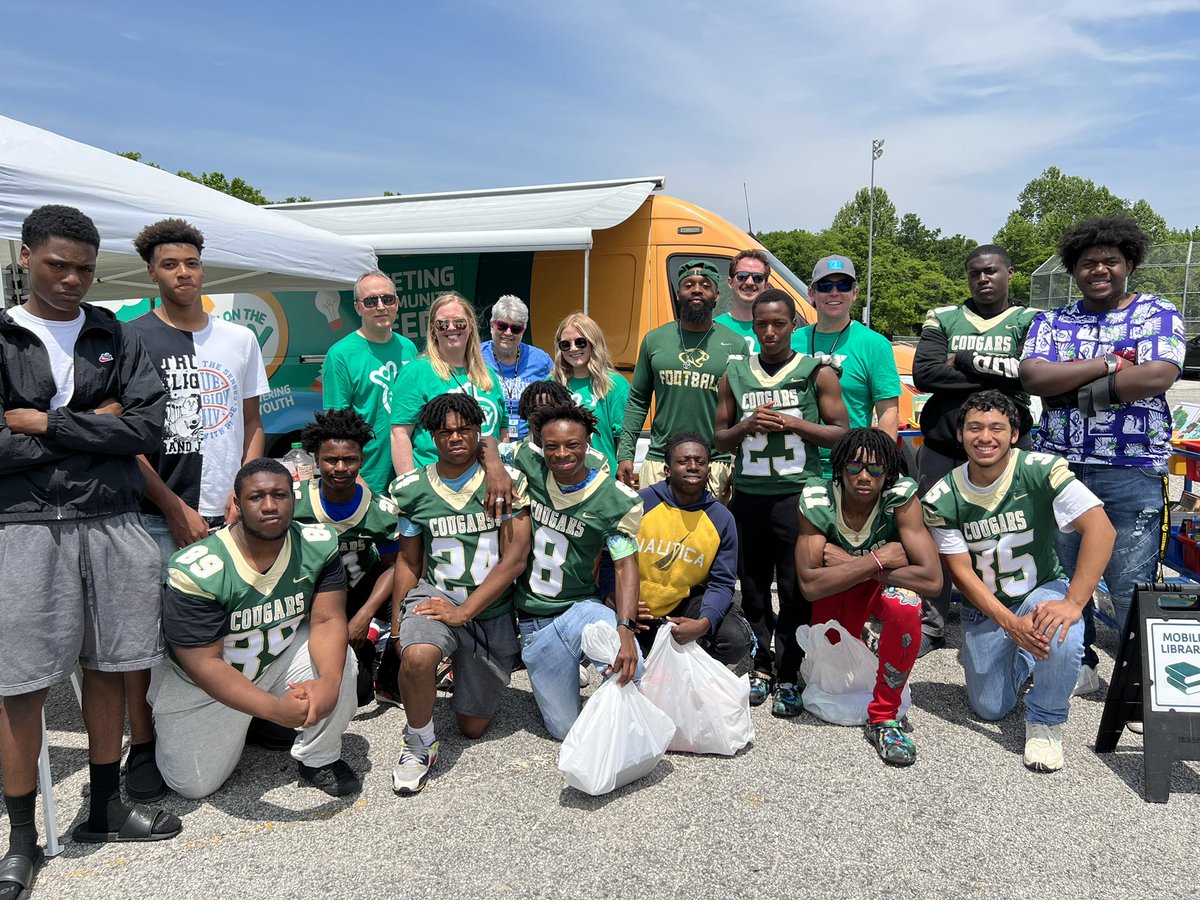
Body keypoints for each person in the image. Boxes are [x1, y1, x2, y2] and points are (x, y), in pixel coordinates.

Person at [0, 205, 177, 898]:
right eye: (57, 265)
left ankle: (105, 805)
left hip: (111, 518)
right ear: (25, 257)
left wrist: (45, 423)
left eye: (84, 268)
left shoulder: (115, 334)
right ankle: (21, 839)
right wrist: (97, 425)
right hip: (22, 525)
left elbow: (148, 431)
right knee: (19, 686)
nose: (72, 280)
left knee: (111, 666)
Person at [125, 217, 270, 802]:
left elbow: (254, 424)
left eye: (191, 263)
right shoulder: (131, 337)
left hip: (227, 515)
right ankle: (141, 747)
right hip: (156, 515)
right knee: (144, 637)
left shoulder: (238, 340)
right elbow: (127, 440)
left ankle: (247, 717)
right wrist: (173, 504)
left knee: (236, 623)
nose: (182, 273)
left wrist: (243, 488)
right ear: (152, 271)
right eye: (169, 264)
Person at [1020, 216, 1183, 696]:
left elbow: (1157, 376)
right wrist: (1112, 364)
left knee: (1131, 576)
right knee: (1067, 571)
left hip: (1130, 467)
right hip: (1061, 465)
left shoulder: (1156, 312)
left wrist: (1074, 391)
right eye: (1088, 262)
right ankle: (1081, 662)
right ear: (1074, 269)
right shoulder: (1051, 320)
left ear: (1129, 263)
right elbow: (1034, 379)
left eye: (1110, 261)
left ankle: (1141, 683)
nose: (1099, 270)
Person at [922, 391, 1115, 771]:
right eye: (975, 427)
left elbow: (1101, 530)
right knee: (989, 708)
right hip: (988, 607)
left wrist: (1074, 602)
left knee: (1061, 624)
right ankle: (1044, 659)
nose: (985, 437)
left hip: (1039, 588)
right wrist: (1012, 626)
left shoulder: (1042, 469)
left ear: (1014, 433)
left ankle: (1046, 719)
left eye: (997, 427)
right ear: (960, 434)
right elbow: (961, 572)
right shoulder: (942, 496)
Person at [149, 458, 361, 798]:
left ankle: (318, 757)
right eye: (256, 497)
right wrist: (275, 709)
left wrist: (329, 684)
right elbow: (204, 663)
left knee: (342, 661)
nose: (269, 506)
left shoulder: (317, 544)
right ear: (236, 503)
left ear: (294, 499)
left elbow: (328, 620)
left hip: (275, 657)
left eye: (279, 495)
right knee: (192, 786)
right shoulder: (199, 568)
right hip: (206, 682)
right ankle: (254, 719)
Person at [387, 394, 532, 794]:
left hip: (488, 608)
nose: (455, 437)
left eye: (464, 429)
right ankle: (419, 743)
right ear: (431, 435)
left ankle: (458, 667)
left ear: (477, 431)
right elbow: (410, 562)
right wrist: (399, 627)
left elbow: (515, 559)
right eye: (445, 431)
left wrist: (464, 612)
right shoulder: (412, 488)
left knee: (472, 728)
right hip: (437, 595)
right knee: (416, 658)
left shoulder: (506, 482)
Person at [714, 288, 848, 715]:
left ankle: (790, 672)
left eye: (778, 323)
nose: (770, 332)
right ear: (752, 327)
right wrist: (748, 425)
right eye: (761, 324)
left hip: (797, 495)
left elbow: (841, 431)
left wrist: (792, 423)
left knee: (795, 589)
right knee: (752, 588)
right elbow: (719, 436)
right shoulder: (734, 372)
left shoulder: (816, 372)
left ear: (794, 324)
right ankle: (761, 666)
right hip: (750, 496)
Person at [912, 245, 1037, 657]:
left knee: (1013, 530)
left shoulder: (1029, 319)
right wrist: (999, 375)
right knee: (932, 531)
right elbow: (925, 373)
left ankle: (1011, 619)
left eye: (992, 272)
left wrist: (962, 360)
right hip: (943, 444)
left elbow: (1031, 377)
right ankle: (932, 623)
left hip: (1006, 448)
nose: (984, 279)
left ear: (1010, 273)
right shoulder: (943, 315)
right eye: (975, 273)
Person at [795, 429, 942, 766]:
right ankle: (869, 639)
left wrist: (847, 562)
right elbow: (810, 585)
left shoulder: (900, 499)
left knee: (905, 604)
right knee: (837, 671)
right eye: (854, 467)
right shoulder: (819, 498)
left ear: (889, 473)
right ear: (839, 467)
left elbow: (931, 579)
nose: (864, 476)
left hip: (863, 584)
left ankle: (884, 715)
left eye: (876, 469)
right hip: (838, 593)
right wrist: (877, 560)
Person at [513, 402, 644, 739]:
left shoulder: (612, 498)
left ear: (587, 444)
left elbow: (625, 563)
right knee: (563, 730)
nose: (561, 454)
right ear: (540, 445)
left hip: (579, 609)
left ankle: (632, 723)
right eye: (551, 446)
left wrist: (626, 628)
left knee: (630, 660)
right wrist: (497, 470)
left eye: (572, 445)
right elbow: (483, 446)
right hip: (535, 622)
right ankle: (574, 673)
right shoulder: (528, 462)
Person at [295, 408, 400, 707]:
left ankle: (378, 638)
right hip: (310, 598)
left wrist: (364, 615)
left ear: (362, 461)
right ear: (316, 461)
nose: (340, 467)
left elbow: (396, 567)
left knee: (359, 694)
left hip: (357, 596)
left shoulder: (380, 511)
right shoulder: (295, 501)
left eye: (349, 459)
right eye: (330, 459)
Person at [617, 260, 744, 500]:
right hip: (659, 460)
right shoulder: (655, 339)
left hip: (713, 464)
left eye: (705, 285)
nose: (697, 290)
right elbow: (637, 400)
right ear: (678, 293)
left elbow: (741, 411)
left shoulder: (735, 344)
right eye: (689, 285)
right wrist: (626, 453)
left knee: (708, 535)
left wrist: (739, 466)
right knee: (654, 536)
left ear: (717, 295)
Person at [634, 432, 752, 668]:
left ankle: (695, 670)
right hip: (636, 605)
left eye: (700, 462)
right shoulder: (640, 503)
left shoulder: (721, 518)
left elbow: (722, 582)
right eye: (683, 461)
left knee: (735, 639)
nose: (693, 467)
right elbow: (610, 560)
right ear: (667, 469)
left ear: (709, 469)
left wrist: (705, 623)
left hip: (683, 604)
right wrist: (620, 603)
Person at [794, 255, 901, 477]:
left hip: (850, 467)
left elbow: (888, 412)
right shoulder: (792, 340)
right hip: (795, 466)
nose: (834, 292)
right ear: (812, 293)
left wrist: (880, 465)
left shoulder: (875, 344)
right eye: (825, 286)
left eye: (843, 285)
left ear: (855, 292)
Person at [321, 270, 419, 494]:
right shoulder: (340, 355)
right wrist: (358, 482)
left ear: (397, 303)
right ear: (357, 308)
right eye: (371, 301)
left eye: (387, 299)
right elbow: (336, 429)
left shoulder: (409, 348)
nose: (381, 306)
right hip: (367, 476)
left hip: (410, 471)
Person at [391, 291, 509, 474]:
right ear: (433, 329)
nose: (451, 328)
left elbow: (502, 430)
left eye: (459, 322)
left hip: (486, 483)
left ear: (470, 326)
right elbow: (400, 434)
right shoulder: (416, 372)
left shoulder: (488, 374)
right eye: (442, 323)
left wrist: (503, 471)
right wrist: (409, 487)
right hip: (436, 485)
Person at [552, 312, 629, 474]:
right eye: (565, 344)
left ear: (594, 343)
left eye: (580, 342)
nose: (573, 348)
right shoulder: (551, 384)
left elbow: (624, 438)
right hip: (559, 482)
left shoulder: (615, 385)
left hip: (602, 480)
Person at [481, 294, 553, 442]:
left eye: (515, 328)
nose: (508, 333)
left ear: (524, 330)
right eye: (502, 326)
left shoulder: (541, 360)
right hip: (489, 443)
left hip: (531, 443)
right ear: (491, 325)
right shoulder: (476, 356)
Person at [715, 249, 805, 354]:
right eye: (742, 276)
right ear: (730, 282)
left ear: (766, 286)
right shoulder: (714, 328)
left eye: (758, 278)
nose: (749, 282)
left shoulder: (784, 332)